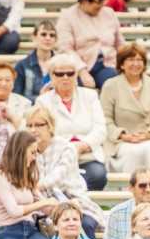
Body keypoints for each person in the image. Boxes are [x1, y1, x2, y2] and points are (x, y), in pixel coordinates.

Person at [37, 53, 108, 191]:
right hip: (57, 157)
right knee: (57, 178)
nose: (65, 77)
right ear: (52, 76)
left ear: (76, 75)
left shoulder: (90, 96)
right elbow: (44, 133)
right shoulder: (43, 101)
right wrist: (68, 148)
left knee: (98, 175)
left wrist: (83, 145)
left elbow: (100, 129)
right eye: (60, 74)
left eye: (70, 73)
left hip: (88, 156)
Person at [101, 42, 150, 172]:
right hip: (120, 142)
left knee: (148, 150)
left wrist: (149, 134)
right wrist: (124, 136)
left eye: (139, 60)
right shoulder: (110, 85)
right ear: (121, 64)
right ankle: (127, 190)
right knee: (130, 152)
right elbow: (105, 119)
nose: (135, 64)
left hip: (148, 140)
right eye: (130, 60)